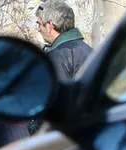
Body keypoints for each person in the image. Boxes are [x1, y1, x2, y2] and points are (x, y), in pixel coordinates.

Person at [30, 0, 93, 134]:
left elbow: (55, 109)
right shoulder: (90, 51)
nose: (38, 28)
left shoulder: (56, 56)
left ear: (50, 26)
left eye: (39, 24)